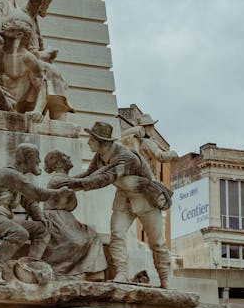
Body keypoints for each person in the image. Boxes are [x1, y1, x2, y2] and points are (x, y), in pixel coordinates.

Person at [53, 121, 173, 288]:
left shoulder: (125, 156)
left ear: (101, 142)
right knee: (117, 233)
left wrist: (73, 184)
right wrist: (68, 182)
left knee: (157, 242)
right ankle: (121, 273)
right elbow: (90, 175)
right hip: (124, 196)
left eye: (91, 140)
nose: (88, 143)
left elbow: (104, 179)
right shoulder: (100, 156)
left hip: (144, 197)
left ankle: (165, 279)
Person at [0, 142, 55, 283]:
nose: (39, 161)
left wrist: (41, 218)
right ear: (29, 158)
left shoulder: (18, 178)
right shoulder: (10, 174)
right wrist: (60, 193)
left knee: (44, 229)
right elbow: (38, 194)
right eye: (37, 157)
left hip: (4, 219)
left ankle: (30, 266)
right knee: (19, 233)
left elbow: (29, 202)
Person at [42, 151, 106, 278]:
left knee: (92, 235)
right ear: (58, 163)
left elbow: (86, 175)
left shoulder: (65, 178)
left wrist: (99, 156)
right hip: (56, 220)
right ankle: (59, 270)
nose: (69, 156)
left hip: (66, 218)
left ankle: (93, 272)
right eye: (66, 156)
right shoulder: (58, 180)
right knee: (77, 241)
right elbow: (85, 181)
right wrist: (105, 174)